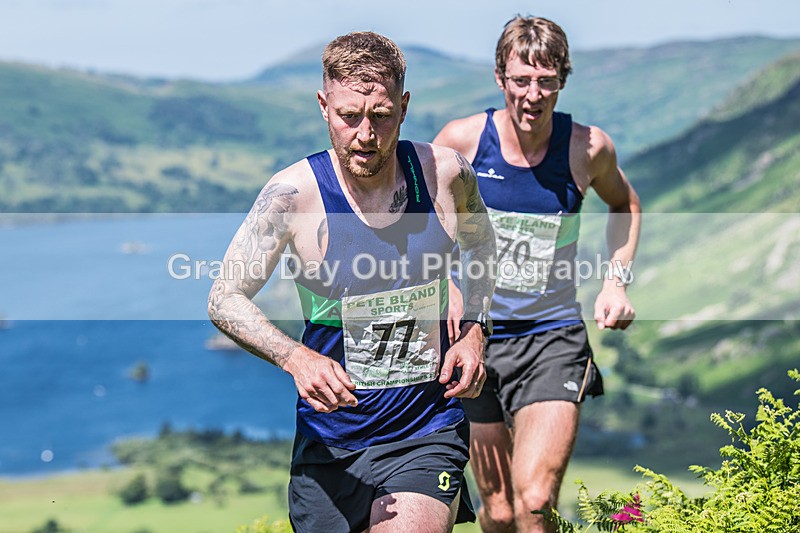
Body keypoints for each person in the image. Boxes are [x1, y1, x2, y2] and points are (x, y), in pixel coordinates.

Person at [208, 32, 497, 532]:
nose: (366, 133)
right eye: (349, 116)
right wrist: (295, 357)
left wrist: (474, 329)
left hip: (424, 432)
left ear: (404, 108)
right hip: (331, 443)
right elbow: (224, 297)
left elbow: (483, 247)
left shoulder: (446, 175)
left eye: (381, 116)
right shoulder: (292, 196)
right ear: (324, 106)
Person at [433, 16, 641, 533]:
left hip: (552, 339)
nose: (533, 95)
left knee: (533, 501)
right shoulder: (462, 141)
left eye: (546, 81)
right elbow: (421, 219)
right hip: (473, 340)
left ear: (562, 80)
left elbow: (625, 205)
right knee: (498, 511)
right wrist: (447, 285)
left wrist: (617, 280)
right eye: (521, 80)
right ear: (500, 78)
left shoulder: (587, 148)